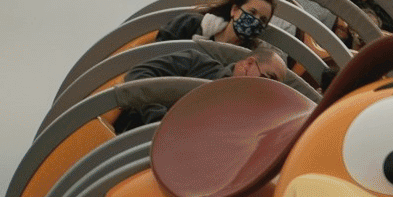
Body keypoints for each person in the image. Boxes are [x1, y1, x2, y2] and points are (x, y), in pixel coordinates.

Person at [113, 43, 287, 132]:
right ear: (248, 64)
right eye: (268, 78)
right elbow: (138, 76)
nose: (267, 89)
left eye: (274, 87)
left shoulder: (251, 122)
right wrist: (161, 122)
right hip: (137, 140)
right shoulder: (195, 62)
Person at [156, 0, 279, 48]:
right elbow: (158, 49)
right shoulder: (190, 23)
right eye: (252, 12)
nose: (255, 20)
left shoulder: (249, 57)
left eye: (262, 20)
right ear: (234, 10)